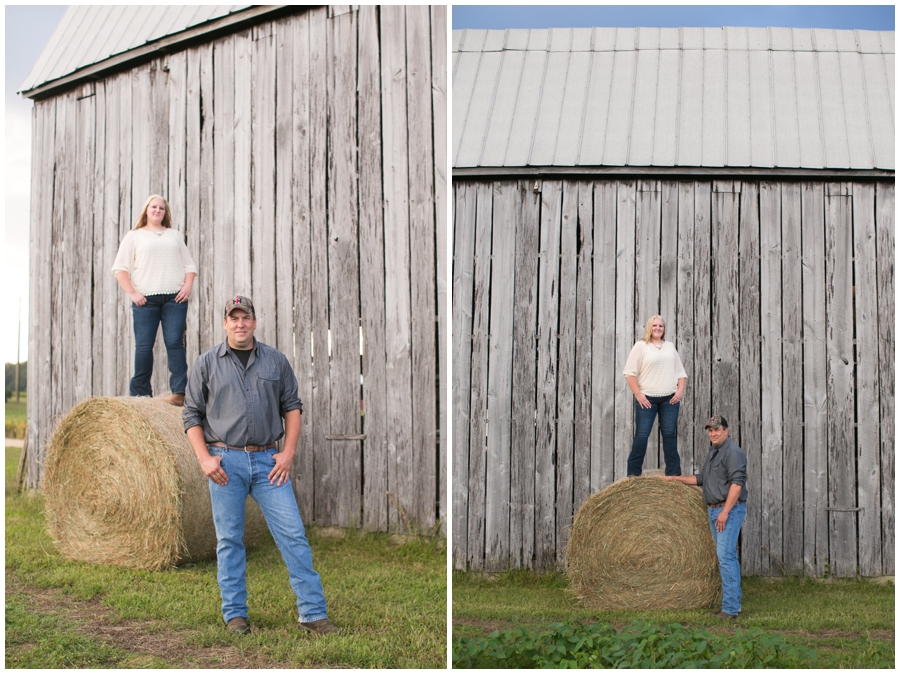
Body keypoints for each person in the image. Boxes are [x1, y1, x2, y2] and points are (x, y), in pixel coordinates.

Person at [182, 295, 338, 636]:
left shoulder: (276, 361)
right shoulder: (207, 363)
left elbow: (292, 407)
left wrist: (288, 453)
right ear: (225, 323)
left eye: (246, 317)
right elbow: (191, 414)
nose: (240, 323)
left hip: (270, 463)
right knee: (229, 541)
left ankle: (313, 614)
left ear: (254, 321)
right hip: (226, 462)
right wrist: (204, 459)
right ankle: (235, 616)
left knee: (293, 535)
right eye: (233, 318)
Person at [112, 194, 197, 406]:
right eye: (154, 207)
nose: (158, 210)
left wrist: (187, 286)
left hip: (174, 300)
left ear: (165, 212)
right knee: (143, 347)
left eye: (161, 208)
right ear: (146, 210)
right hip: (145, 301)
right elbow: (119, 268)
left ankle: (179, 391)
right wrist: (133, 293)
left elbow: (190, 266)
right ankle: (140, 394)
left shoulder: (174, 235)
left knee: (175, 343)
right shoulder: (134, 236)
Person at [663, 415, 748, 620]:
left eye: (717, 429)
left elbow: (737, 484)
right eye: (710, 430)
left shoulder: (733, 453)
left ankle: (729, 609)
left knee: (726, 558)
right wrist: (676, 479)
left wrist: (725, 512)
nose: (713, 433)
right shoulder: (714, 452)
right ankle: (731, 606)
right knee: (726, 558)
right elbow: (702, 479)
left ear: (727, 431)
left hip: (728, 510)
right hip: (714, 510)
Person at [623, 315, 687, 476]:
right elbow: (629, 373)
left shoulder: (670, 346)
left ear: (664, 329)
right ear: (649, 327)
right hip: (647, 399)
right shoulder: (641, 346)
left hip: (670, 399)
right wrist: (638, 395)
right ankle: (633, 475)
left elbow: (681, 373)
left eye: (661, 326)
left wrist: (679, 391)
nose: (658, 328)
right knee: (642, 436)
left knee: (669, 435)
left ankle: (674, 474)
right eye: (655, 325)